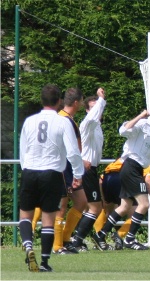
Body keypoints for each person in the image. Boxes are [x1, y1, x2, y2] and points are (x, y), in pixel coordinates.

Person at [93, 100, 150, 250]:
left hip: (136, 169)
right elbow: (123, 130)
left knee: (124, 207)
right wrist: (141, 115)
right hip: (130, 166)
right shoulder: (143, 124)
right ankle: (130, 239)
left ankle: (101, 234)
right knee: (144, 204)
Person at [18, 84, 85, 272]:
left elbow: (23, 150)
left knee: (25, 214)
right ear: (59, 102)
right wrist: (78, 174)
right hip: (52, 173)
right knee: (48, 218)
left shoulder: (29, 121)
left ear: (42, 100)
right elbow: (73, 152)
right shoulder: (63, 122)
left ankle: (28, 246)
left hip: (30, 170)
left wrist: (27, 169)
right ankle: (45, 262)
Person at [62, 88, 107, 253]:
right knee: (95, 208)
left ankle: (73, 239)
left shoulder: (96, 126)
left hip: (90, 169)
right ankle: (75, 239)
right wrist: (101, 100)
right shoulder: (88, 124)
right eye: (93, 107)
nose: (97, 110)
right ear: (88, 110)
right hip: (85, 169)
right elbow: (93, 117)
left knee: (86, 206)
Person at [53, 87, 91, 254]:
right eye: (82, 101)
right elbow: (72, 147)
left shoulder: (68, 119)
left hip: (70, 167)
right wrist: (80, 164)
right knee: (61, 206)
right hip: (63, 168)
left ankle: (66, 239)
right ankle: (57, 245)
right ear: (76, 102)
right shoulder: (63, 120)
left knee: (81, 202)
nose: (82, 104)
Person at [93, 158, 150, 250]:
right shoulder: (142, 159)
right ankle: (122, 236)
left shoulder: (120, 160)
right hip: (123, 178)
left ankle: (100, 237)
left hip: (107, 179)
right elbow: (148, 180)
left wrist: (103, 198)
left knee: (111, 210)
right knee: (138, 209)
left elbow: (101, 180)